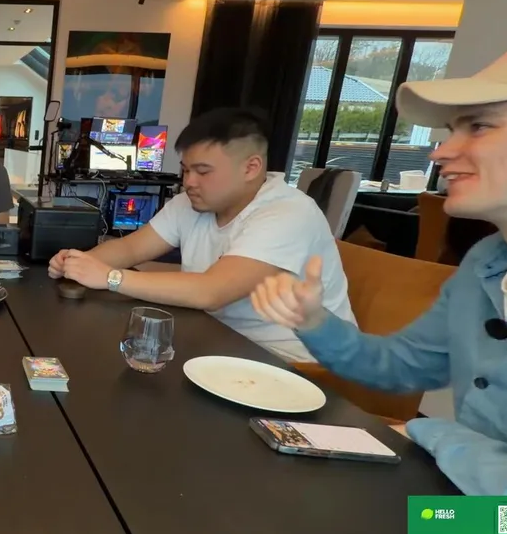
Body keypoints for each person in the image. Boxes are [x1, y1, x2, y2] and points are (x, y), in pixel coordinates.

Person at [251, 38, 507, 496]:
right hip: (471, 512)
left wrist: (436, 435)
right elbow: (399, 368)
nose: (439, 152)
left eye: (480, 126)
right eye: (451, 130)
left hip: (502, 531)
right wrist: (315, 321)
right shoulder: (487, 262)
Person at [49, 107, 355, 362]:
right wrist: (79, 262)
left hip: (293, 364)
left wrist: (110, 277)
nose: (189, 182)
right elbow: (130, 249)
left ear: (251, 168)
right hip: (219, 343)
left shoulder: (288, 213)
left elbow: (211, 291)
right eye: (186, 170)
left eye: (203, 171)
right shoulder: (190, 204)